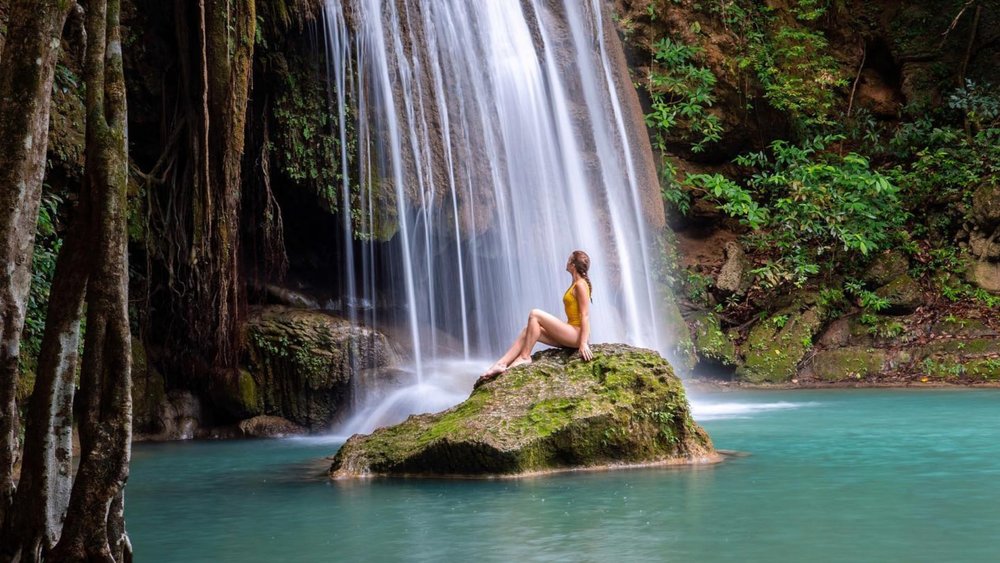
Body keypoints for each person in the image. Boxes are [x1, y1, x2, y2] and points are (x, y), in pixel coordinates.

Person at [481, 250, 594, 379]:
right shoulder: (575, 283)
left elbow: (585, 315)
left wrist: (583, 343)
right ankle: (501, 364)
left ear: (573, 265)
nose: (566, 262)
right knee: (527, 330)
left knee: (535, 314)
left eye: (569, 260)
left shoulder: (580, 285)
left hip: (577, 335)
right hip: (571, 332)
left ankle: (525, 356)